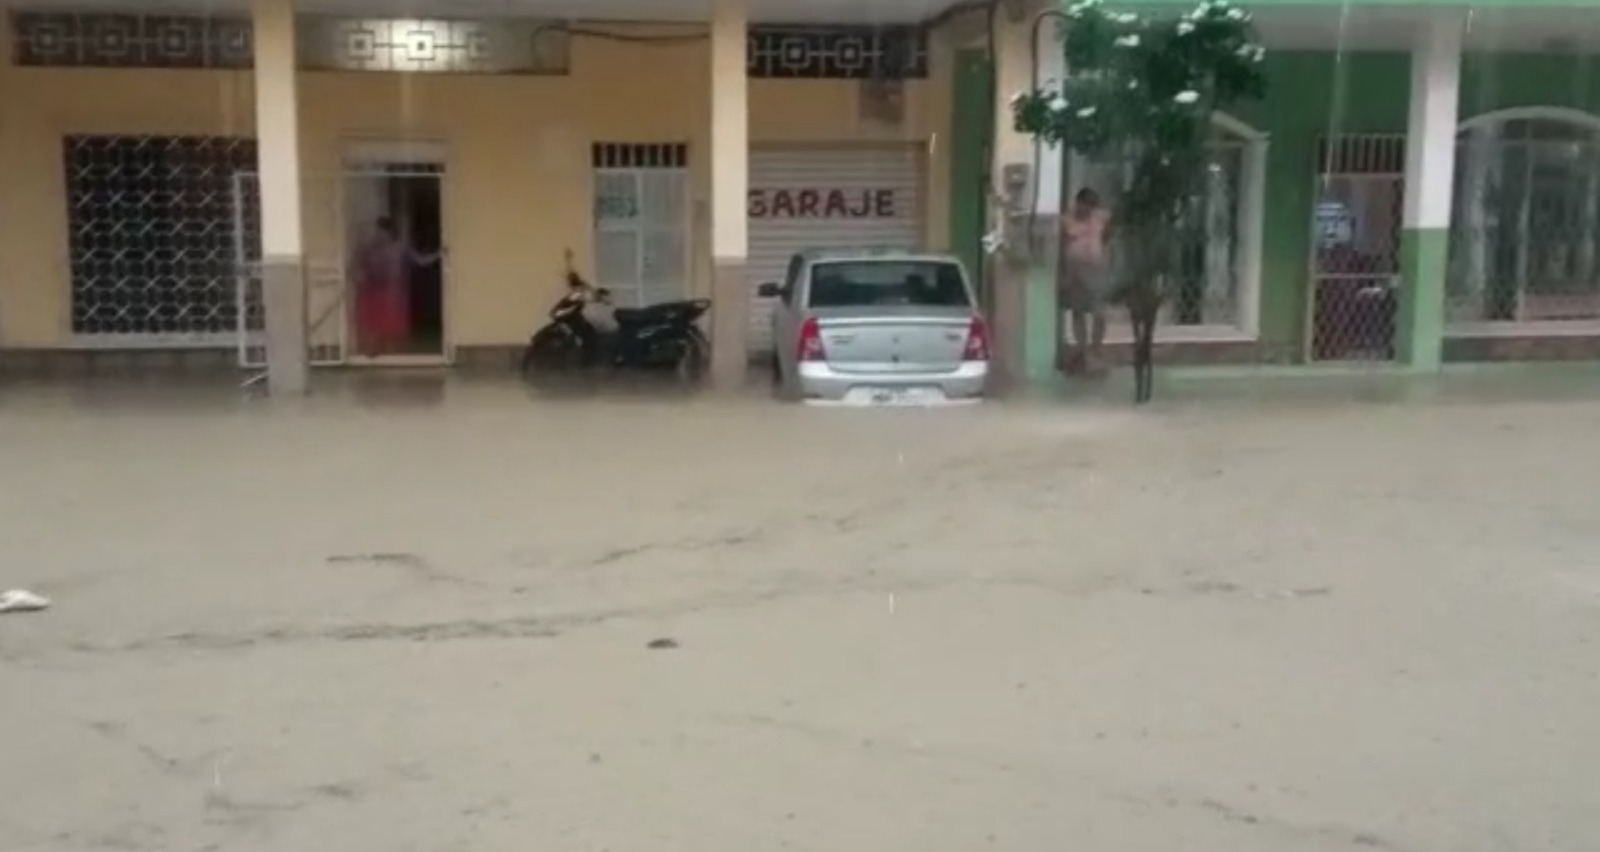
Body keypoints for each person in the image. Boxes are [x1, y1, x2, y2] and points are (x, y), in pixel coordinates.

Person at [351, 216, 438, 357]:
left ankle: (390, 354)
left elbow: (420, 260)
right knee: (372, 321)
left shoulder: (400, 247)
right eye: (377, 230)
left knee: (392, 324)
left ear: (389, 232)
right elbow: (359, 264)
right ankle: (372, 350)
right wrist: (359, 274)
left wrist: (437, 255)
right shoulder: (369, 248)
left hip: (392, 291)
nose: (378, 234)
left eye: (381, 231)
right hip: (373, 290)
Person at [1060, 188, 1112, 375]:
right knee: (1078, 312)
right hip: (1075, 272)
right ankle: (1083, 351)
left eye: (1091, 206)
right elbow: (1063, 245)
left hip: (1096, 271)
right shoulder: (1067, 220)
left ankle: (1095, 349)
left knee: (1099, 313)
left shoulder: (1101, 218)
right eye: (1085, 205)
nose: (1087, 210)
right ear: (1078, 203)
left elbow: (1108, 237)